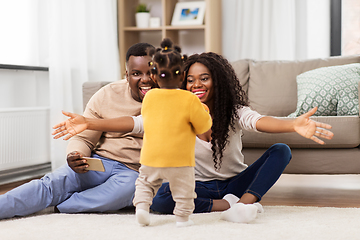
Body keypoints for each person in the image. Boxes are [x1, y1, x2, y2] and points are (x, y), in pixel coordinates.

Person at [149, 52, 334, 223]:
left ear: (218, 81)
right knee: (160, 199)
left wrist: (292, 124)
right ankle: (228, 205)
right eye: (190, 80)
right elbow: (141, 122)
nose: (196, 85)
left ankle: (244, 203)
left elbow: (259, 121)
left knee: (281, 150)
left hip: (235, 184)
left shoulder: (235, 112)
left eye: (204, 78)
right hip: (200, 187)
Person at [52, 38, 212, 227]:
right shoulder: (189, 100)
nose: (144, 79)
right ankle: (183, 218)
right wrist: (204, 112)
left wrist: (89, 123)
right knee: (184, 190)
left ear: (155, 75)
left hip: (150, 160)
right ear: (183, 76)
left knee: (144, 184)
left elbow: (139, 122)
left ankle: (142, 208)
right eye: (136, 73)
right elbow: (203, 127)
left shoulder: (151, 97)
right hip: (179, 161)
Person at [0, 42, 156, 219]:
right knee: (51, 183)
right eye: (137, 73)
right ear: (127, 75)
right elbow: (84, 139)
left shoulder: (170, 99)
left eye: (151, 72)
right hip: (100, 162)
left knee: (128, 190)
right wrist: (76, 155)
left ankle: (64, 206)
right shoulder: (107, 94)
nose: (146, 79)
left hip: (133, 171)